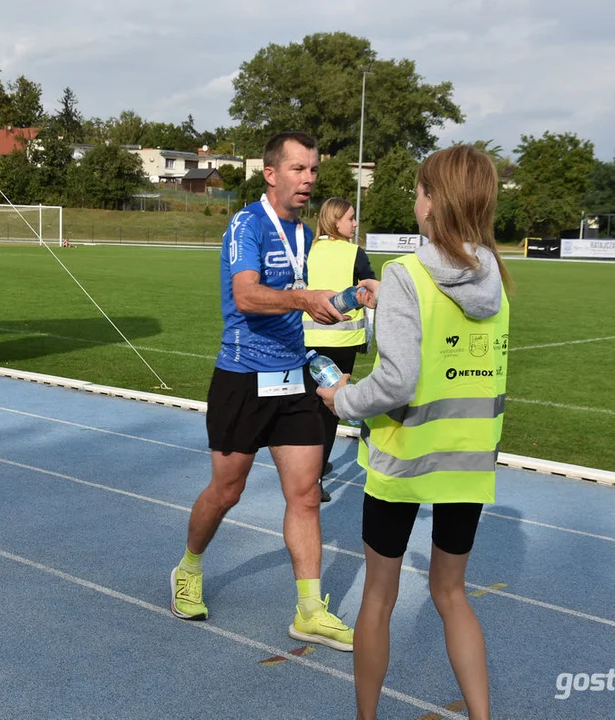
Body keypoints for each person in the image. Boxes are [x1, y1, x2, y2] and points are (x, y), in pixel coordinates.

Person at [317, 145, 513, 719]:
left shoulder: (407, 273)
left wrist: (341, 399)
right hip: (470, 459)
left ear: (433, 203)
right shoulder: (496, 277)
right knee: (453, 594)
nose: (415, 199)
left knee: (378, 596)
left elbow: (398, 381)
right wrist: (391, 307)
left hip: (403, 458)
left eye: (420, 190)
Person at [169, 131, 355, 652]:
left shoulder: (302, 234)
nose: (309, 179)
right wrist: (303, 299)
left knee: (306, 494)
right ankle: (189, 566)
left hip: (292, 376)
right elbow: (247, 295)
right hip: (242, 377)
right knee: (228, 490)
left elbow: (301, 297)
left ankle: (311, 610)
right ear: (271, 174)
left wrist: (349, 296)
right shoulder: (246, 224)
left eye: (314, 170)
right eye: (299, 169)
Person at [303, 197, 377, 502]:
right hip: (342, 344)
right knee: (330, 413)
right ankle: (314, 477)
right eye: (350, 218)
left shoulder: (307, 250)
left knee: (308, 410)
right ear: (335, 221)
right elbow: (372, 286)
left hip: (306, 341)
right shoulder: (353, 253)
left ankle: (310, 468)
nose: (355, 223)